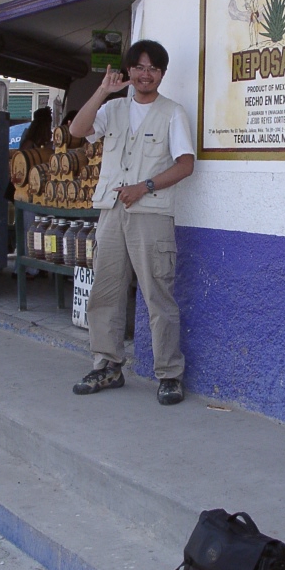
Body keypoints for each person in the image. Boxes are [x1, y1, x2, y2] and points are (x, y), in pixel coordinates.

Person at [69, 40, 195, 406]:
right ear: (129, 72)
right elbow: (78, 129)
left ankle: (169, 374)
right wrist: (102, 91)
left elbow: (186, 164)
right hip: (111, 212)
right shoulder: (113, 109)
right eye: (138, 67)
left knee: (158, 295)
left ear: (162, 74)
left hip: (151, 215)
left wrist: (145, 186)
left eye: (152, 68)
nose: (145, 74)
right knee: (104, 292)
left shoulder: (172, 113)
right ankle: (106, 366)